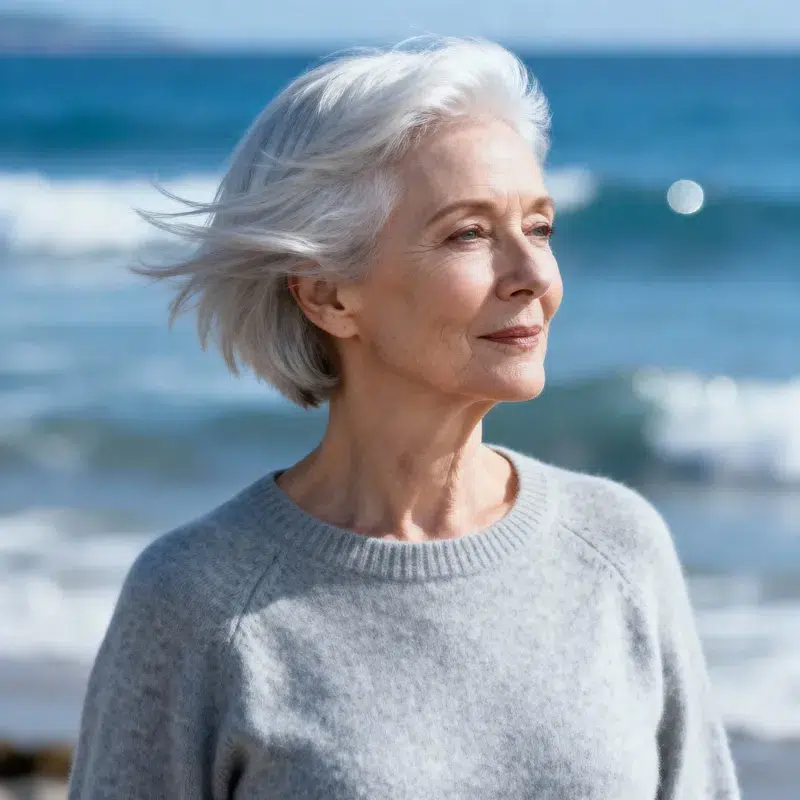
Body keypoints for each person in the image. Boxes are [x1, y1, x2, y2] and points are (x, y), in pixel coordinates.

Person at [68, 37, 741, 799]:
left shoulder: (621, 549)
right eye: (471, 233)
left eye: (541, 227)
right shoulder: (199, 599)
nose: (533, 276)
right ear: (327, 294)